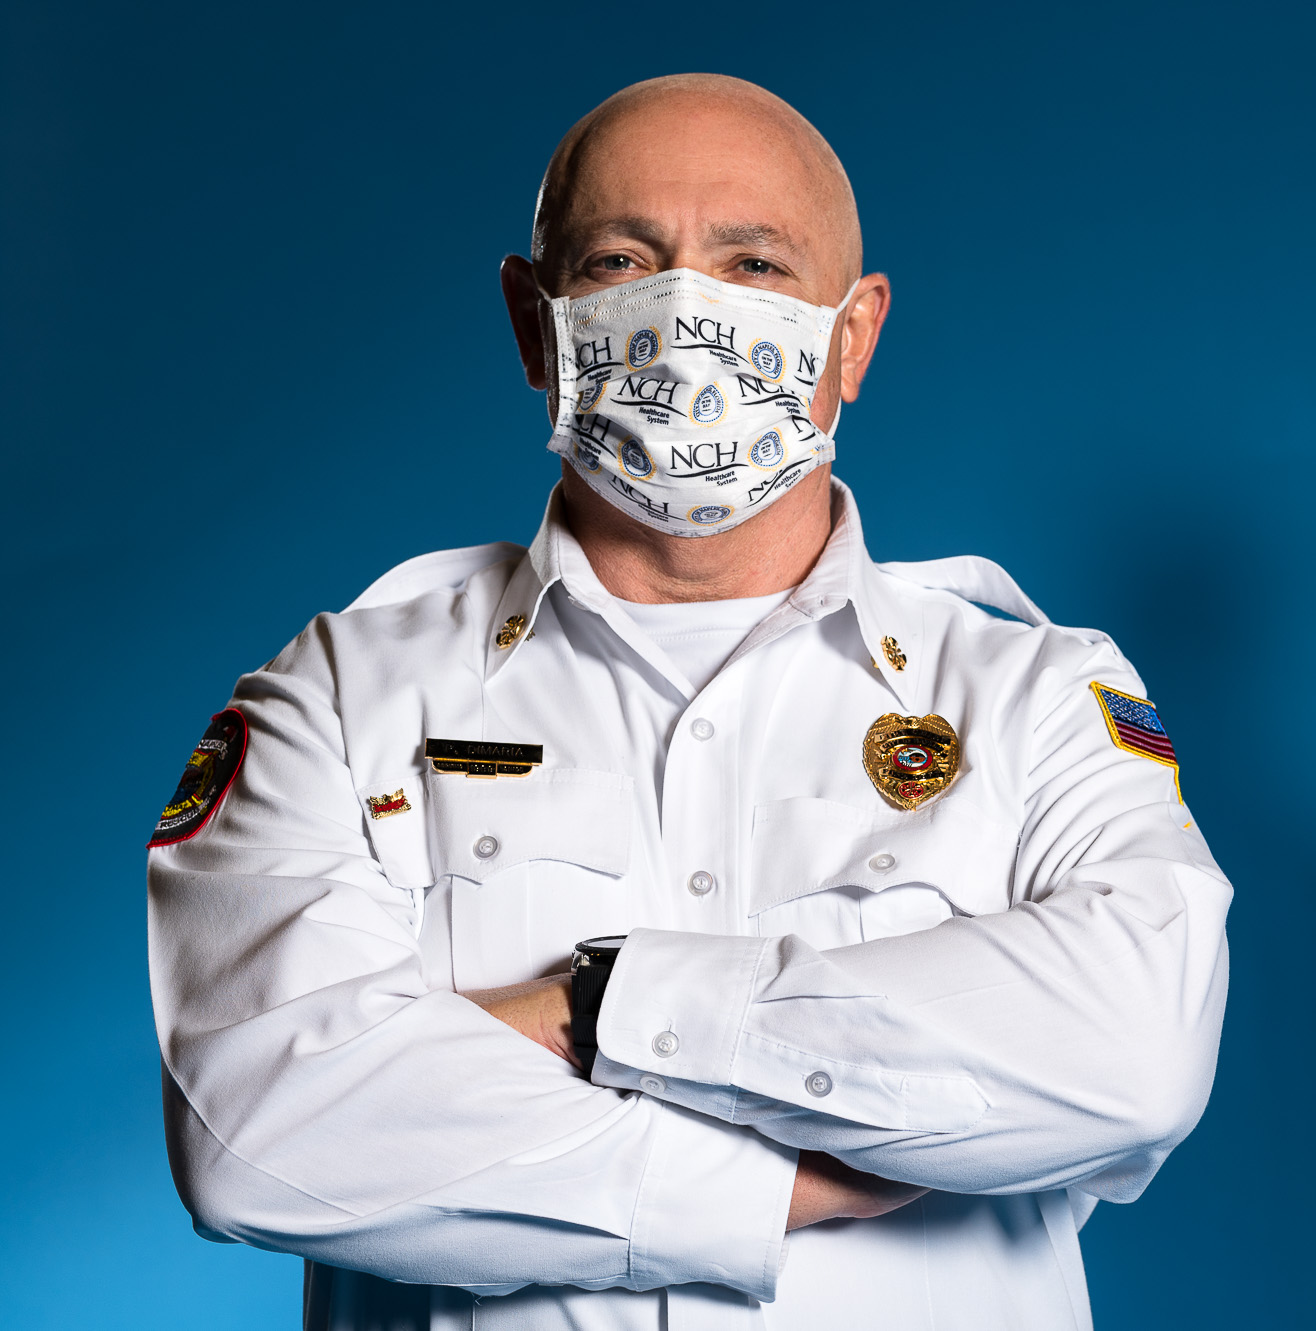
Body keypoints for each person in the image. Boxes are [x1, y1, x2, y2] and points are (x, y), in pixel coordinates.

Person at [147, 74, 1231, 1331]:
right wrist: (786, 1178)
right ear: (531, 320)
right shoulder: (339, 693)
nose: (688, 314)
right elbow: (262, 1131)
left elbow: (1129, 1055)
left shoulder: (1039, 693)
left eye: (755, 264)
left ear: (854, 337)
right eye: (620, 257)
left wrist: (599, 1006)